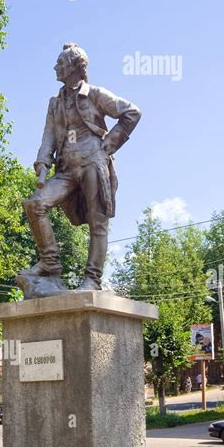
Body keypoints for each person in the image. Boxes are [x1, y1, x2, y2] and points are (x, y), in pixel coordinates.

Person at [19, 43, 141, 293]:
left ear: (75, 67)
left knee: (98, 222)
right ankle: (50, 265)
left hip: (93, 165)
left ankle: (92, 280)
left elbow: (131, 112)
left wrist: (107, 146)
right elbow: (48, 136)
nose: (55, 67)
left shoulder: (94, 93)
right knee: (35, 204)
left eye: (60, 63)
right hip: (65, 169)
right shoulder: (55, 102)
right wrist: (43, 162)